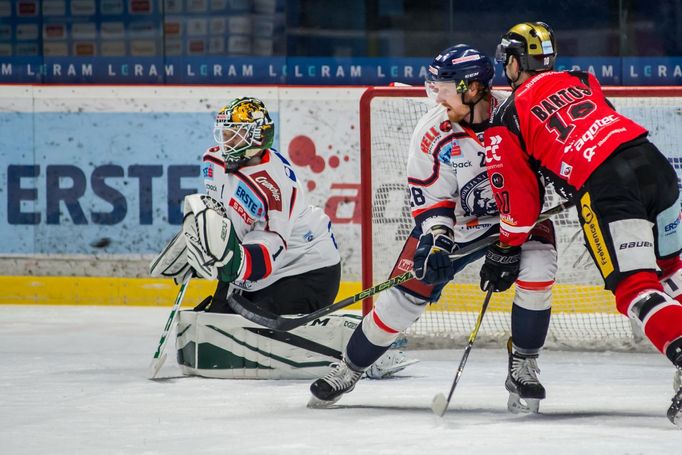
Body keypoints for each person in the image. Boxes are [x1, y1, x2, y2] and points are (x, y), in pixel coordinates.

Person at [308, 45, 558, 413]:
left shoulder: (519, 115)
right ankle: (349, 367)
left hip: (518, 221)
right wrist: (439, 242)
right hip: (456, 228)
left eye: (444, 87)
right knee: (399, 304)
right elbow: (431, 200)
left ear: (472, 89)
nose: (436, 96)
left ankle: (523, 362)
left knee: (540, 267)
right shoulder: (433, 131)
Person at [480, 21, 682, 426]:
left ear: (516, 62)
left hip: (608, 185)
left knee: (635, 289)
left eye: (508, 60)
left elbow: (520, 210)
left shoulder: (508, 115)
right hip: (654, 165)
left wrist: (504, 248)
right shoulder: (582, 79)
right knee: (672, 272)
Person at [150, 97, 405, 380]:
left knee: (258, 331)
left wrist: (229, 263)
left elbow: (268, 254)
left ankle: (369, 347)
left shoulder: (274, 187)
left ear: (257, 136)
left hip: (306, 273)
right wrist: (199, 243)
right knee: (217, 322)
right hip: (257, 268)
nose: (226, 141)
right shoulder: (213, 160)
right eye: (224, 133)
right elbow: (218, 212)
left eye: (235, 134)